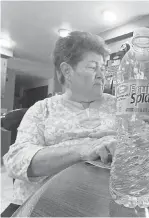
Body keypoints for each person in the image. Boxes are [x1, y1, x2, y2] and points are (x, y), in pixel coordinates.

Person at [2, 31, 118, 213]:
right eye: (92, 67)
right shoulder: (43, 109)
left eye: (103, 68)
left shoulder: (119, 106)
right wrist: (82, 150)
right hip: (45, 206)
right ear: (67, 71)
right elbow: (16, 160)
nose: (101, 75)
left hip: (106, 205)